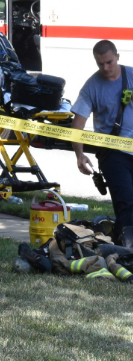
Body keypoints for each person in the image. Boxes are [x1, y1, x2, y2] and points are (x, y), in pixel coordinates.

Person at [72, 40, 133, 244]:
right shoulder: (92, 85)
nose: (105, 68)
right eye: (100, 64)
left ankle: (120, 236)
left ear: (118, 56)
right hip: (112, 152)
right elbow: (78, 123)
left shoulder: (131, 75)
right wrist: (79, 154)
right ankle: (127, 247)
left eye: (109, 62)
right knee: (125, 200)